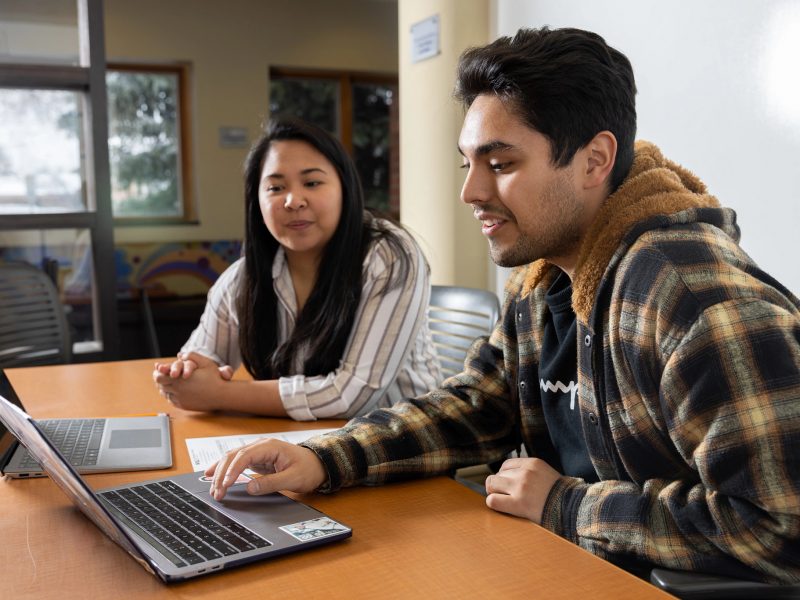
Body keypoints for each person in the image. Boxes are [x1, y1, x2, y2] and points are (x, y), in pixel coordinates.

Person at [205, 28, 800, 583]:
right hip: (561, 569)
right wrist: (326, 458)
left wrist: (566, 504)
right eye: (468, 164)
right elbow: (475, 410)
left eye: (501, 164)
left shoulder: (690, 297)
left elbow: (782, 526)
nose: (471, 192)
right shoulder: (543, 277)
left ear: (594, 160)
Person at [153, 117, 441, 420]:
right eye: (276, 187)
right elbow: (203, 354)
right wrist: (188, 372)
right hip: (304, 441)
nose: (293, 201)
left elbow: (351, 396)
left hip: (402, 445)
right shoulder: (245, 276)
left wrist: (219, 393)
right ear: (257, 201)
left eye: (312, 182)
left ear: (344, 187)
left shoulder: (390, 257)